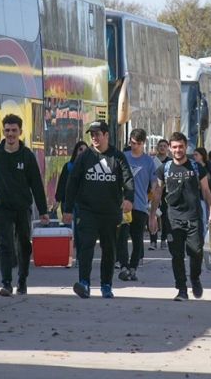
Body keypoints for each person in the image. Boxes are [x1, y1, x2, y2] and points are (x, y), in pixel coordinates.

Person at [0, 114, 49, 297]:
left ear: (20, 132)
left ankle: (22, 280)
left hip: (22, 208)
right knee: (5, 244)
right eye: (7, 130)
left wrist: (43, 210)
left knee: (23, 245)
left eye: (14, 130)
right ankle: (6, 283)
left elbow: (36, 184)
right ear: (3, 131)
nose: (10, 134)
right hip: (1, 208)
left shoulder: (27, 156)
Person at [64, 120, 134, 298]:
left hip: (110, 212)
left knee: (109, 250)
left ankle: (106, 285)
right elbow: (72, 183)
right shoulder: (84, 157)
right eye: (92, 134)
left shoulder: (117, 157)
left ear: (106, 135)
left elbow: (128, 179)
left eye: (97, 134)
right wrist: (68, 209)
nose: (94, 138)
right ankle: (84, 283)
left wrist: (128, 198)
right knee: (86, 246)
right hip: (88, 211)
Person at [151, 132, 211, 301]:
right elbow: (157, 193)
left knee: (196, 252)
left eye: (181, 147)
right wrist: (152, 216)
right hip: (173, 219)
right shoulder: (163, 169)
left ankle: (194, 278)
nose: (178, 150)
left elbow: (206, 191)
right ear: (170, 149)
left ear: (186, 146)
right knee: (177, 255)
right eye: (174, 147)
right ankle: (181, 289)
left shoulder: (196, 167)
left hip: (194, 217)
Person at [117, 128, 158, 282]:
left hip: (140, 205)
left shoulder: (149, 161)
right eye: (132, 143)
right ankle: (124, 266)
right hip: (124, 205)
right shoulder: (123, 157)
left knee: (137, 239)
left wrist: (152, 195)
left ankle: (133, 267)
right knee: (122, 237)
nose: (134, 146)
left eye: (138, 143)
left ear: (143, 143)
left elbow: (154, 183)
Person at [150, 138, 171, 250]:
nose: (162, 148)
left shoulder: (170, 161)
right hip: (154, 191)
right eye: (160, 146)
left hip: (166, 192)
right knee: (153, 214)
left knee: (165, 217)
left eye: (164, 146)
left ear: (167, 148)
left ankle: (163, 240)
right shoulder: (152, 161)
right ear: (157, 148)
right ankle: (153, 241)